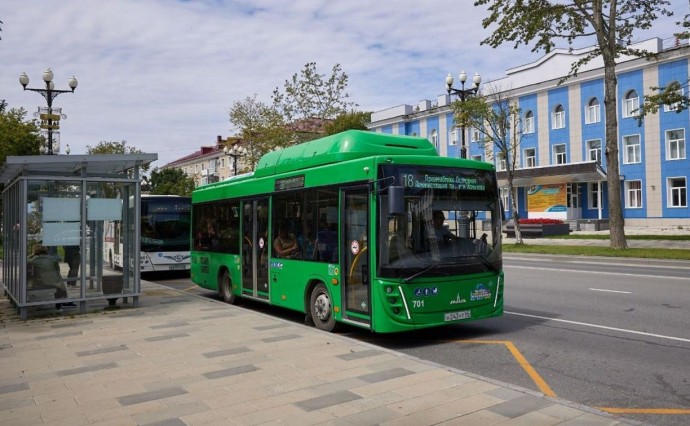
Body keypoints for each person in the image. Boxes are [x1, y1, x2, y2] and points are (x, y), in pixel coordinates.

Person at [29, 244, 75, 310]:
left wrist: (32, 255)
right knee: (58, 279)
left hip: (40, 283)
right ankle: (63, 300)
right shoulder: (52, 259)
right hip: (55, 283)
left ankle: (63, 300)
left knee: (56, 279)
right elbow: (58, 269)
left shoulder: (34, 260)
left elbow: (26, 260)